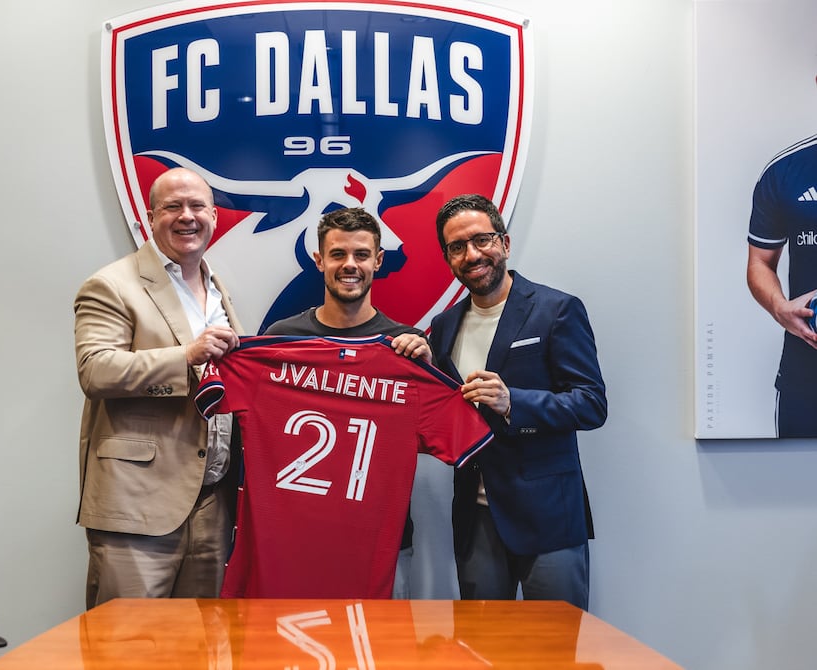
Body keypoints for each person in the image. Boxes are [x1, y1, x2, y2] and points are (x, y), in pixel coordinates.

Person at [263, 206, 454, 599]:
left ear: (378, 261)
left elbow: (443, 431)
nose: (350, 264)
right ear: (319, 260)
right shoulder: (281, 339)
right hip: (297, 537)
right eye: (338, 254)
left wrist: (429, 372)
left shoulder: (407, 347)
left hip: (382, 541)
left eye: (361, 254)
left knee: (380, 639)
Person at [428, 194, 607, 610]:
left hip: (549, 517)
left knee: (557, 641)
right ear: (448, 258)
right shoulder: (443, 326)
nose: (472, 254)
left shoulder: (556, 309)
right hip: (475, 519)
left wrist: (513, 403)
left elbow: (591, 403)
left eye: (482, 240)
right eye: (457, 247)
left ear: (504, 243)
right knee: (483, 642)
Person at [74, 167, 243, 606]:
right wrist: (185, 356)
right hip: (138, 505)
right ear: (150, 218)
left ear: (214, 216)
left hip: (212, 504)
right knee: (129, 640)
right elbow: (95, 370)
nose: (187, 216)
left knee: (201, 639)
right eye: (173, 207)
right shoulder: (112, 285)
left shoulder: (216, 288)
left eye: (197, 206)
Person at [746, 110, 817, 437]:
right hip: (806, 375)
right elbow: (760, 263)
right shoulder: (785, 171)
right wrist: (779, 307)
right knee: (798, 471)